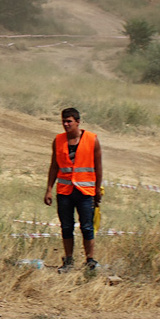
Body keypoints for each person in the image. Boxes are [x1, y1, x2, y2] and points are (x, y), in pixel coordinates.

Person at [44, 107, 103, 272]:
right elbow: (54, 166)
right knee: (66, 226)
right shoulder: (58, 140)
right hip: (64, 192)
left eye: (69, 121)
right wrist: (48, 189)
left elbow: (98, 167)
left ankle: (90, 260)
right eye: (63, 121)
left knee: (87, 227)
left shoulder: (92, 140)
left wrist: (97, 189)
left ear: (78, 122)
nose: (66, 124)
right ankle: (68, 260)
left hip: (85, 192)